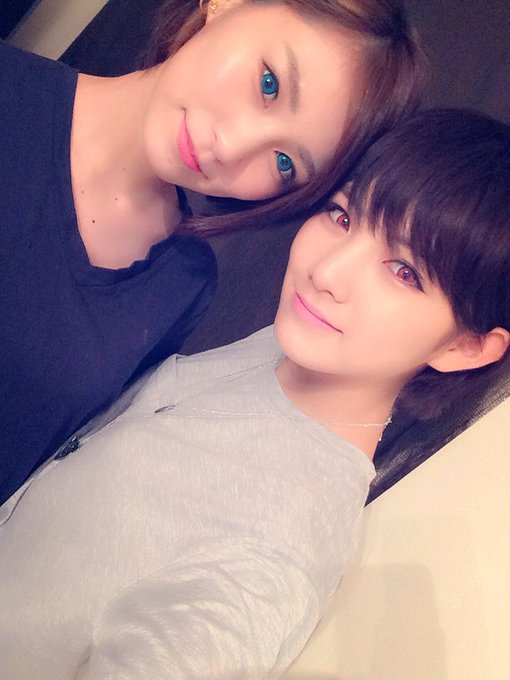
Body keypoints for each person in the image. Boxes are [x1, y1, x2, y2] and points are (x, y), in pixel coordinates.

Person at [1, 109, 509, 680]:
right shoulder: (298, 347)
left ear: (464, 347)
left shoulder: (273, 551)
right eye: (341, 215)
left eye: (404, 271)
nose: (326, 272)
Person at [0, 0, 425, 505]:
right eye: (269, 84)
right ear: (226, 5)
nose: (234, 145)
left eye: (284, 163)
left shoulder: (182, 281)